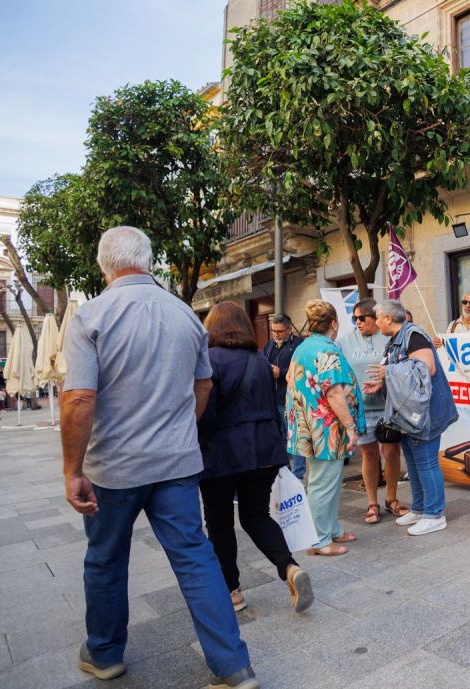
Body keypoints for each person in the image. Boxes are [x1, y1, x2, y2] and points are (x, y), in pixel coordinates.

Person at [60, 226, 258, 689]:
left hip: (114, 467)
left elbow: (79, 398)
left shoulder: (91, 316)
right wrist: (181, 429)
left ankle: (105, 654)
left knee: (106, 559)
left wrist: (72, 470)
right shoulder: (186, 315)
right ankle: (233, 666)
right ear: (148, 261)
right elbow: (203, 384)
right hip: (177, 463)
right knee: (195, 557)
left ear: (104, 265)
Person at [198, 302, 313, 614]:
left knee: (219, 522)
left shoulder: (209, 360)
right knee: (256, 516)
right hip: (264, 451)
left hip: (221, 454)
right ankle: (289, 567)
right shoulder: (260, 360)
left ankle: (232, 590)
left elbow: (205, 413)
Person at [365, 299, 459, 536]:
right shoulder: (396, 339)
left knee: (426, 463)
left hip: (424, 413)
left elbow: (427, 368)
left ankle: (435, 515)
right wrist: (382, 383)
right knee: (414, 463)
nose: (376, 323)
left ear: (388, 318)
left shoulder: (414, 335)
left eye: (377, 318)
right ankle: (419, 509)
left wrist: (389, 371)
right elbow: (408, 376)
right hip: (409, 414)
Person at [286, 299, 365, 557]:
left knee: (326, 482)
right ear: (333, 323)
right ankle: (319, 540)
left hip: (310, 426)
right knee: (323, 484)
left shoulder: (303, 348)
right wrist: (350, 427)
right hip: (326, 429)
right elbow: (334, 393)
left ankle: (331, 529)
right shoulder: (327, 351)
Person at [336, 298, 409, 525]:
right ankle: (371, 502)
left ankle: (391, 498)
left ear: (375, 318)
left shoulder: (389, 336)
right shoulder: (345, 341)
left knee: (392, 452)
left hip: (388, 406)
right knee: (369, 454)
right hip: (362, 408)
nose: (357, 322)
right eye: (354, 318)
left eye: (362, 318)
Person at [264, 314, 304, 476]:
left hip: (291, 399)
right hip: (273, 399)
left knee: (295, 437)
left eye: (280, 331)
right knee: (280, 436)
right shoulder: (269, 345)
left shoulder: (299, 345)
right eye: (273, 331)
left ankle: (298, 475)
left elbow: (302, 370)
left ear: (289, 329)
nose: (276, 334)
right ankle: (286, 472)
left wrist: (281, 372)